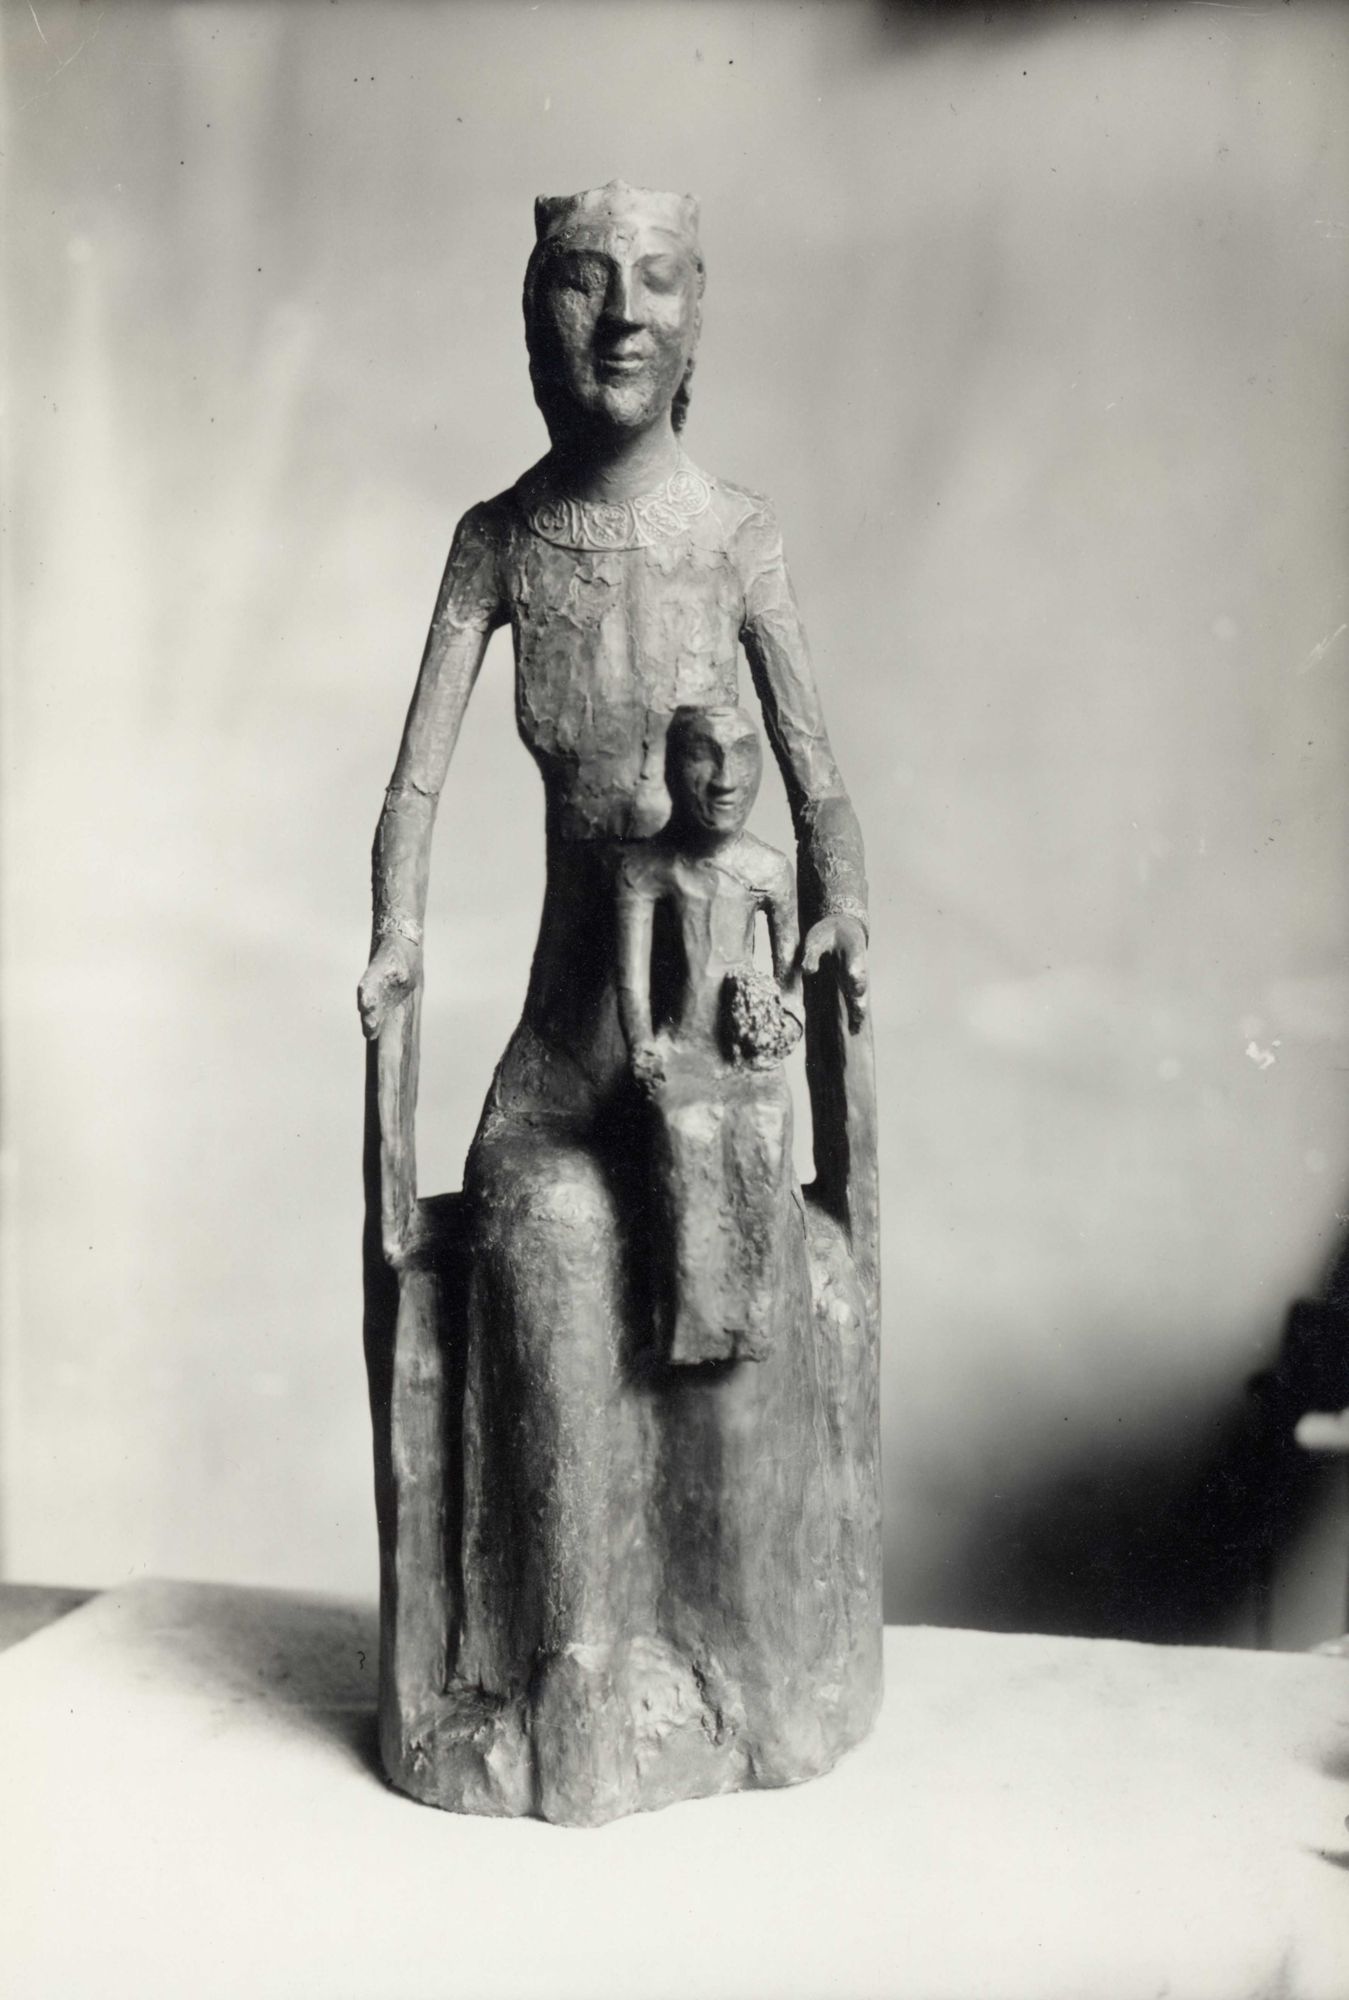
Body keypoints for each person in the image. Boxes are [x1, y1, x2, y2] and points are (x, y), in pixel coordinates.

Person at [358, 183, 874, 1824]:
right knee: (545, 1231)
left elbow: (820, 788)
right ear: (535, 320)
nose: (621, 314)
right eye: (581, 283)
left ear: (696, 319)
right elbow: (413, 789)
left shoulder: (734, 537)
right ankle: (571, 1676)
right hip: (560, 1062)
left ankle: (742, 1662)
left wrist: (840, 908)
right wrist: (393, 934)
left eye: (655, 282)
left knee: (725, 1244)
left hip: (706, 1061)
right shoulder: (501, 541)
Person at [617, 704, 803, 1366]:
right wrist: (642, 1044)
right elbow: (632, 982)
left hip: (743, 1056)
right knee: (686, 1129)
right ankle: (693, 1329)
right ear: (673, 768)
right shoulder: (647, 870)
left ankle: (750, 1325)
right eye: (704, 756)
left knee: (764, 1126)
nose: (724, 779)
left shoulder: (768, 870)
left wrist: (779, 1022)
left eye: (742, 756)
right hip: (682, 1051)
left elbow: (788, 977)